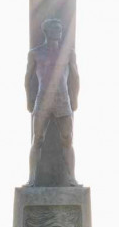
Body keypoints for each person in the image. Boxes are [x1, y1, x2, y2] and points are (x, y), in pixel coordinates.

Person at [25, 17, 79, 186]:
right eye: (54, 29)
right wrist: (29, 99)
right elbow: (28, 77)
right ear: (47, 31)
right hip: (42, 100)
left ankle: (71, 178)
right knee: (37, 139)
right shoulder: (35, 53)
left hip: (62, 99)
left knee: (67, 139)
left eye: (60, 29)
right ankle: (32, 179)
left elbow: (75, 76)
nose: (58, 32)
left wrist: (74, 98)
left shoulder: (68, 52)